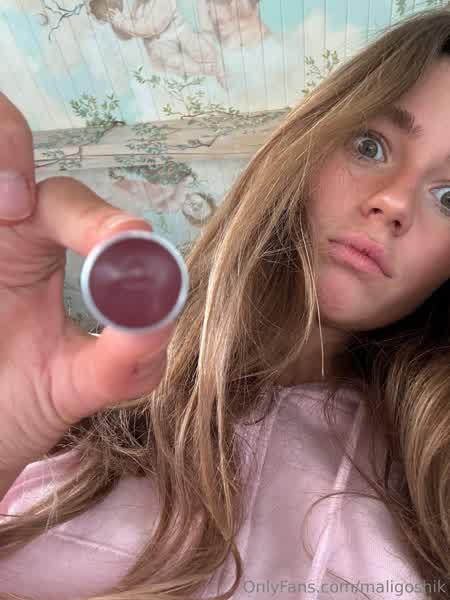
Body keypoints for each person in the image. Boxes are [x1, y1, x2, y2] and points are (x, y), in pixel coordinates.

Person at [0, 7, 448, 600]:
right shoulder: (72, 394)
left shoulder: (433, 477)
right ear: (307, 149)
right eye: (370, 145)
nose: (392, 202)